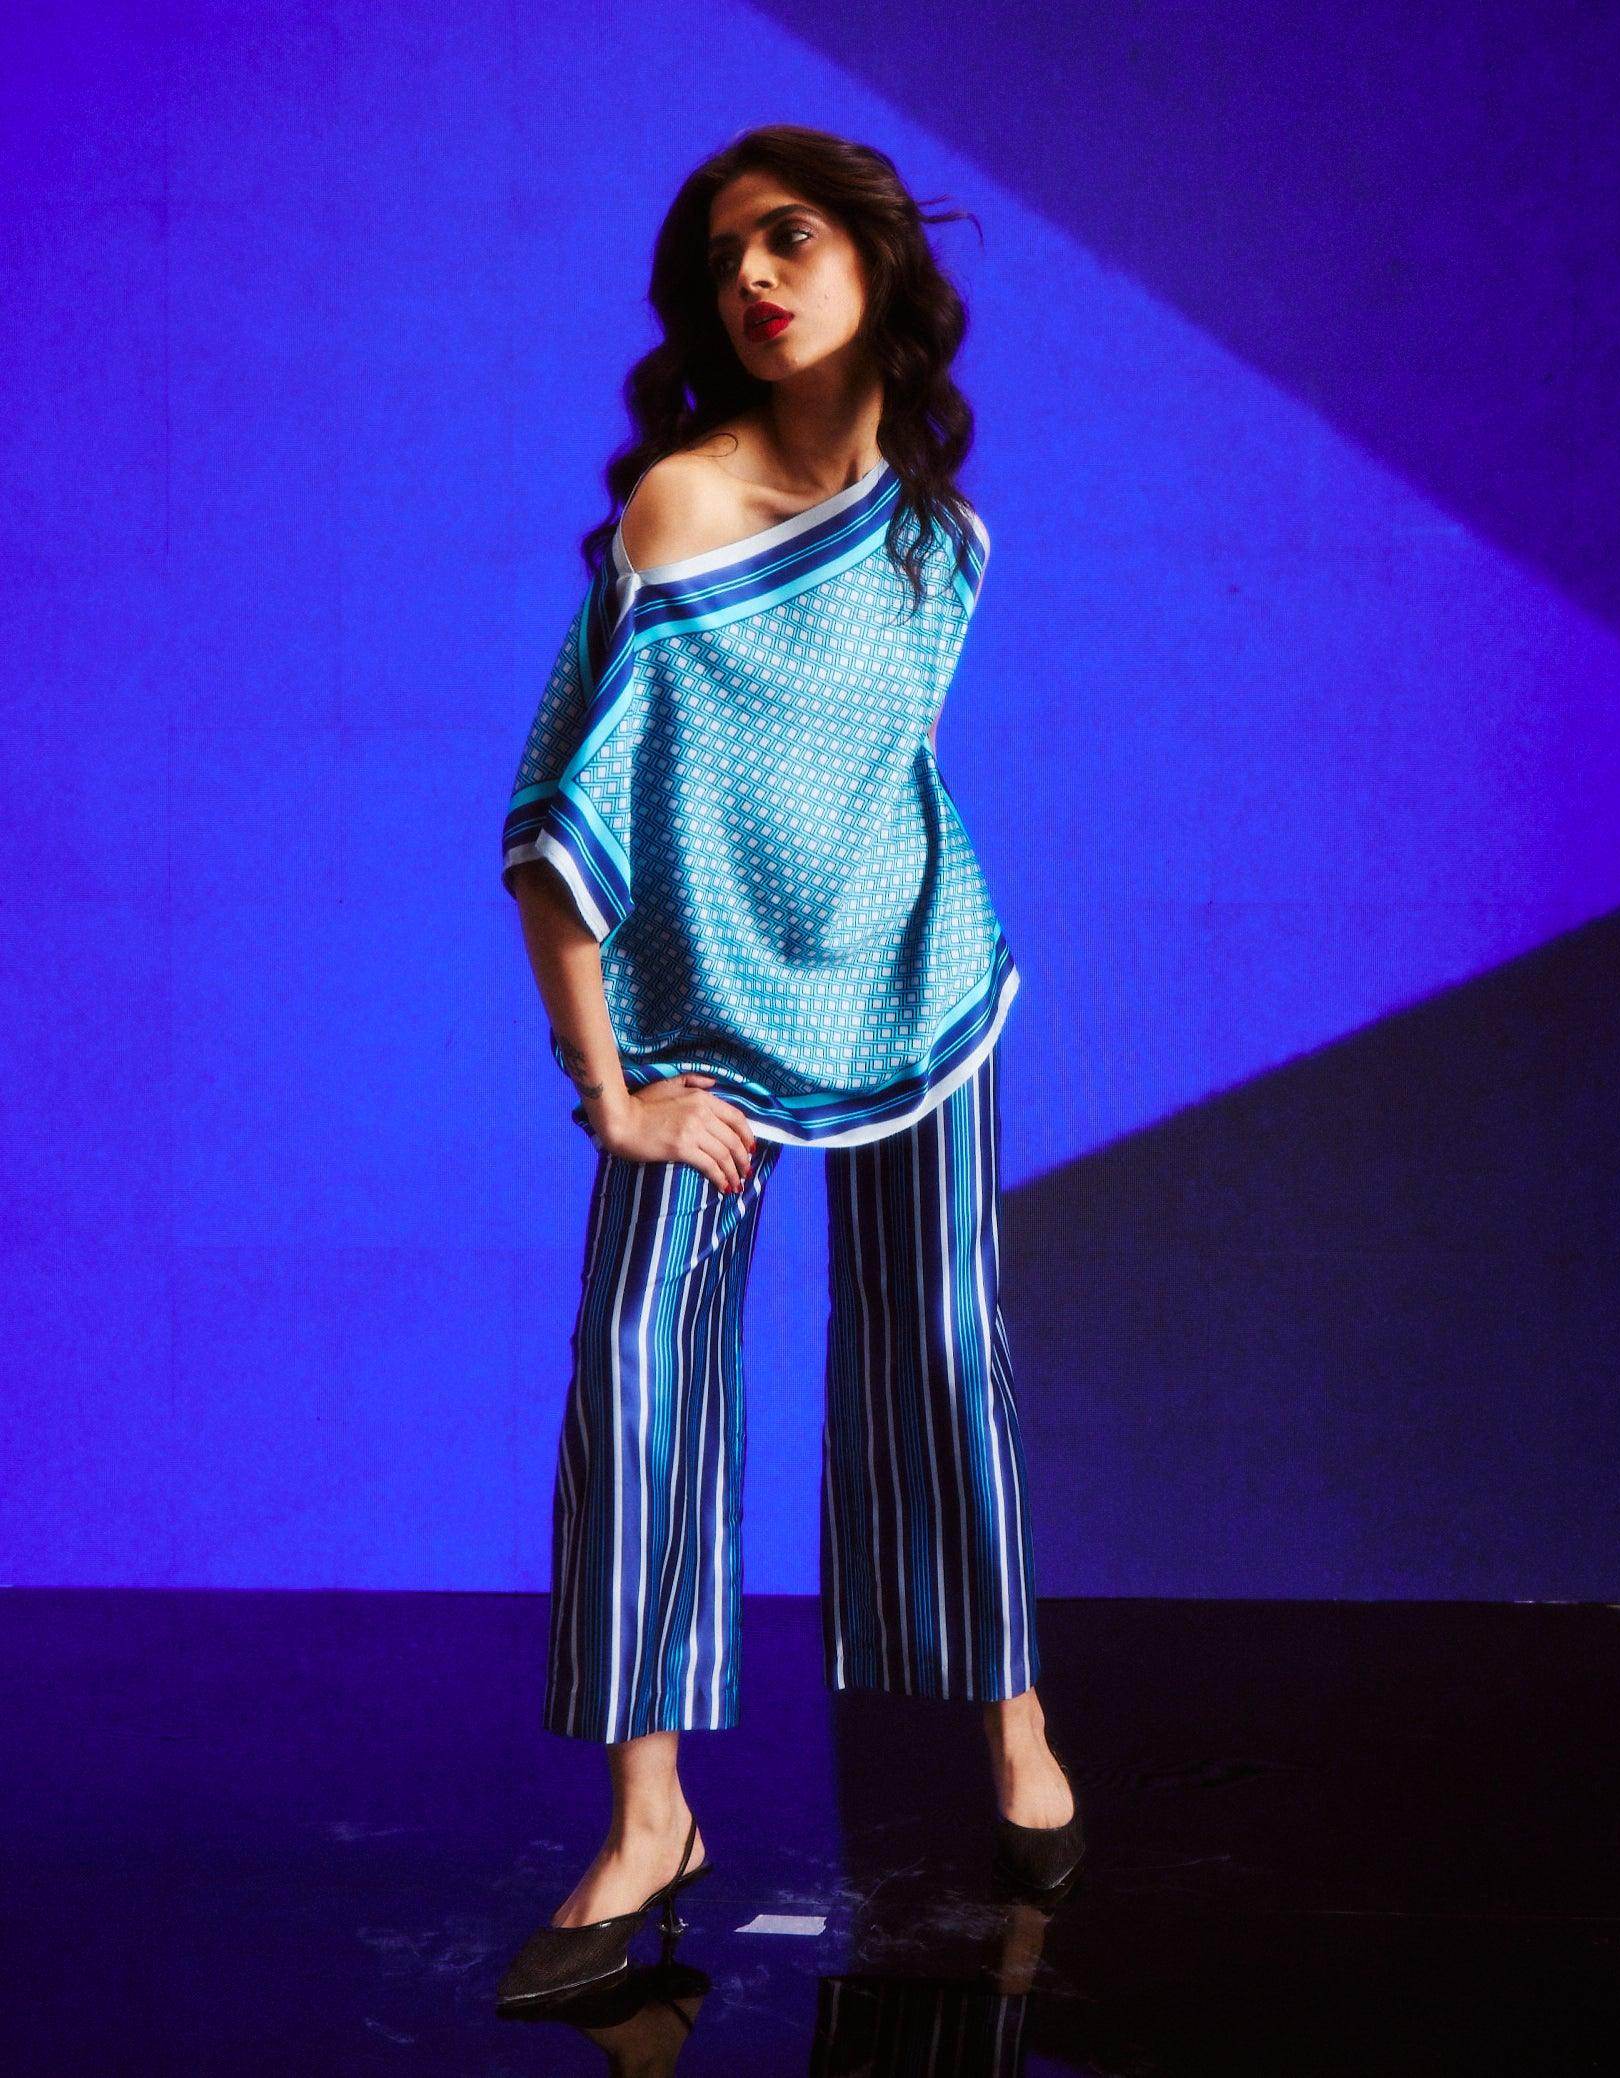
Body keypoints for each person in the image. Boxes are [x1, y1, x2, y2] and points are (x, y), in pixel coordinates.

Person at [496, 124, 1083, 2005]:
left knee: (940, 1354)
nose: (751, 275)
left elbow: (876, 789)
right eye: (723, 255)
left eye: (791, 237)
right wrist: (612, 1092)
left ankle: (1012, 1733)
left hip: (917, 989)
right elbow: (555, 828)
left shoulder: (940, 541)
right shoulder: (679, 512)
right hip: (696, 1026)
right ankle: (648, 1816)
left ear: (876, 264)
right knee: (641, 1373)